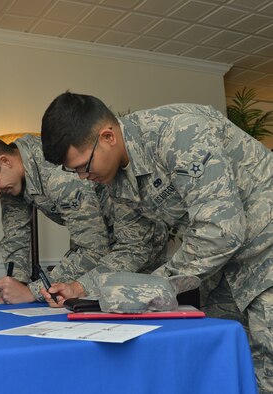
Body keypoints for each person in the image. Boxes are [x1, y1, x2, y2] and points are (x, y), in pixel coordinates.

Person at [40, 92, 273, 393]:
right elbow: (135, 247)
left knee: (267, 368)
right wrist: (82, 287)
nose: (83, 177)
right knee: (220, 363)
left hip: (265, 252)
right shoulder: (116, 180)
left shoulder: (179, 133)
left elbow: (221, 230)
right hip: (229, 268)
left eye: (84, 166)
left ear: (108, 136)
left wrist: (153, 286)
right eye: (74, 171)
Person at [0, 135, 168, 304]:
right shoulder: (10, 183)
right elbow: (16, 237)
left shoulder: (57, 174)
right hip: (99, 250)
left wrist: (31, 292)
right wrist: (13, 284)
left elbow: (93, 249)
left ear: (5, 161)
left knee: (136, 313)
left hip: (134, 247)